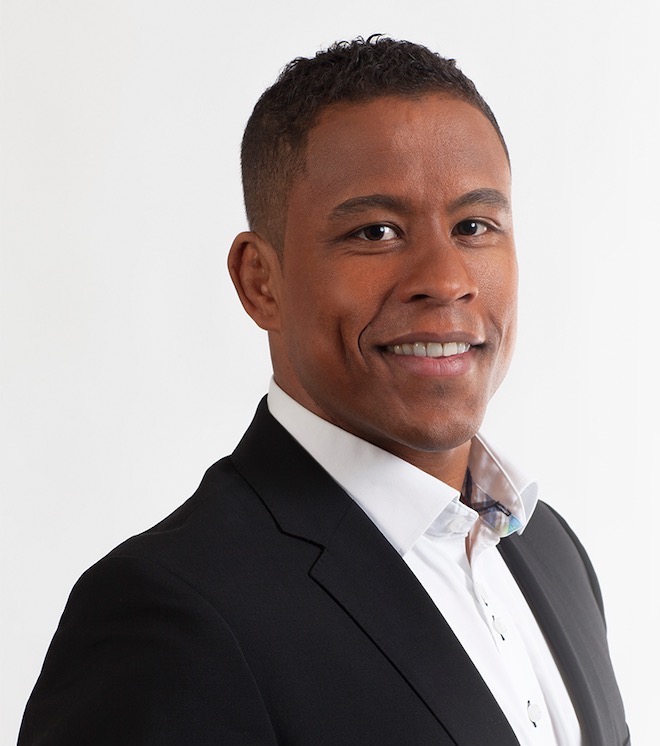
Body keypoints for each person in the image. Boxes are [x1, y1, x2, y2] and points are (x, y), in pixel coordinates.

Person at [19, 37, 629, 745]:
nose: (444, 278)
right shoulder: (168, 615)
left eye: (473, 226)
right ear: (260, 282)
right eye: (376, 231)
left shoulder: (549, 551)